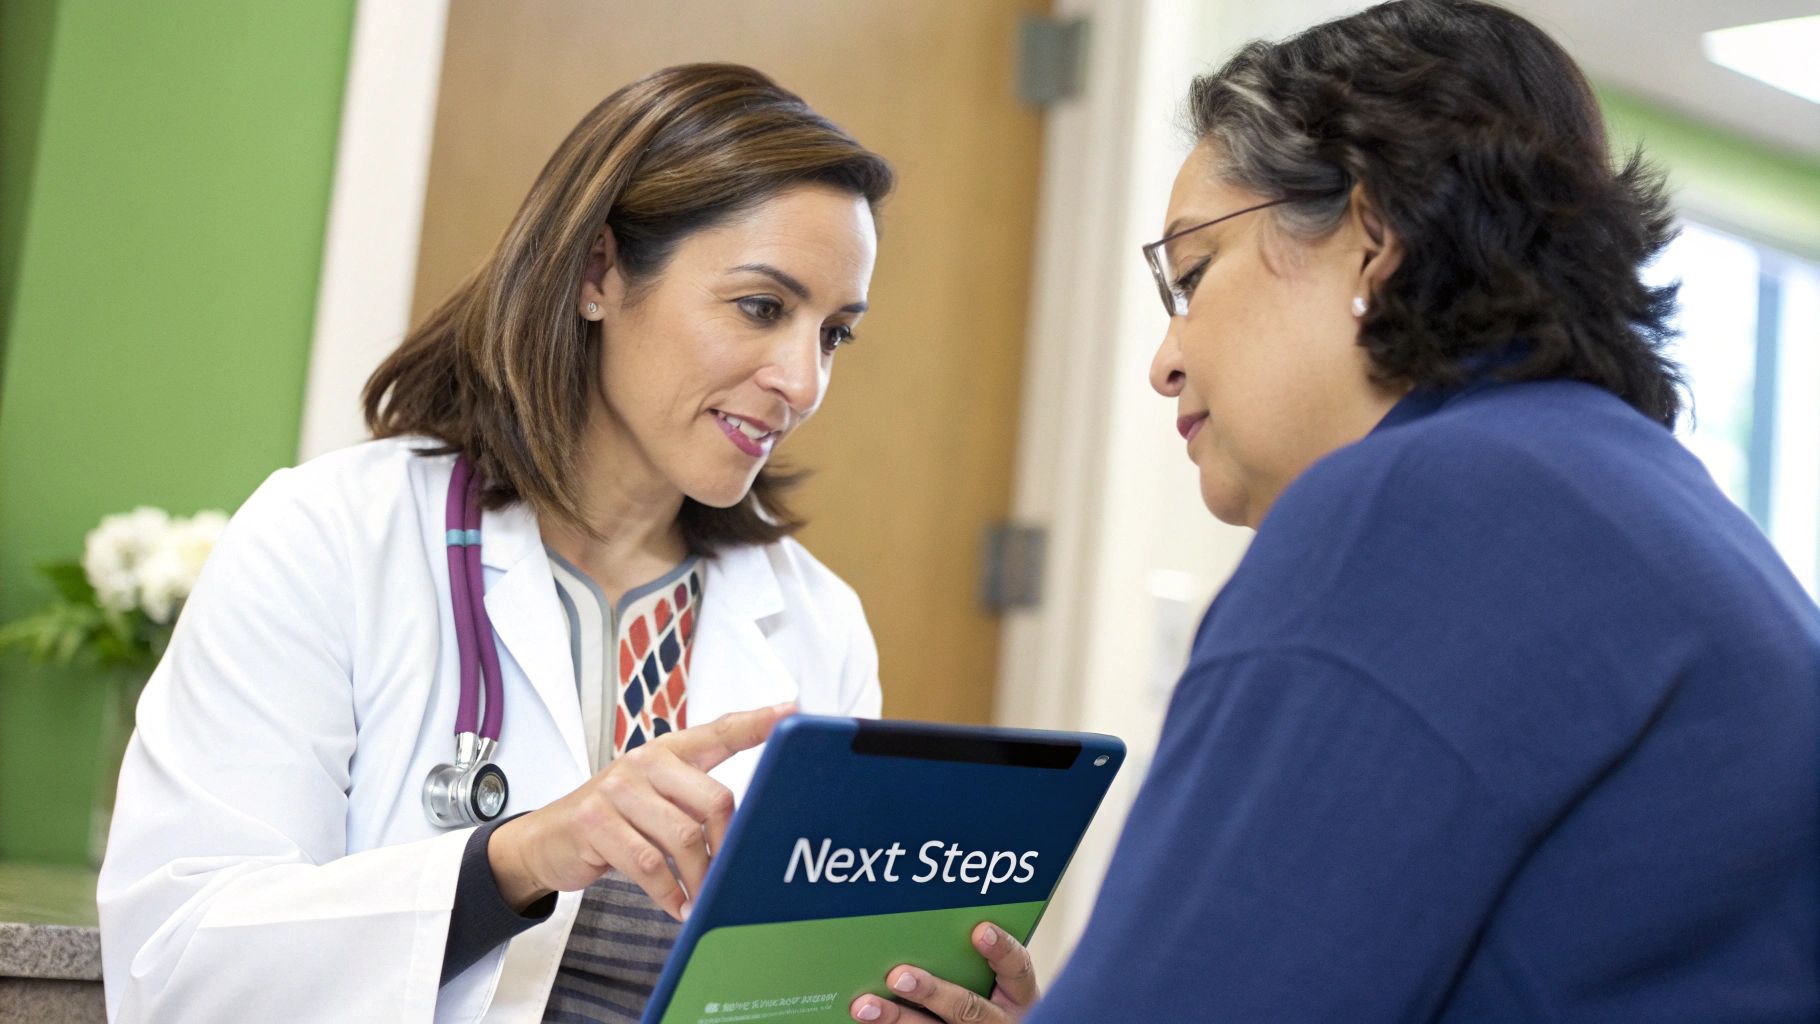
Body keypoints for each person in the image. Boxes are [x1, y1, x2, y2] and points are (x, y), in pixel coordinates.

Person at [849, 2, 1820, 1022]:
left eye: (1191, 274)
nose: (1163, 358)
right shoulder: (1652, 505)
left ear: (1370, 237)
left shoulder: (1414, 513)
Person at [99, 63, 931, 1023]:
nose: (800, 379)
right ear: (597, 275)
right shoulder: (332, 538)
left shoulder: (816, 626)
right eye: (760, 307)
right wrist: (520, 860)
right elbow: (176, 965)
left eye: (834, 335)